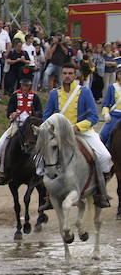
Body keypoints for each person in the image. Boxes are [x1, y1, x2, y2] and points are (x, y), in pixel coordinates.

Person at [41, 64, 113, 209]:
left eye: (70, 73)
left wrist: (77, 127)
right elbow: (46, 116)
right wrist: (53, 128)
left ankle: (100, 192)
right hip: (59, 134)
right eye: (65, 73)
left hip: (82, 132)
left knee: (105, 157)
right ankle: (48, 195)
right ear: (62, 75)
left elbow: (93, 116)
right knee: (41, 161)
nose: (67, 76)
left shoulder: (84, 92)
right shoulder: (54, 94)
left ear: (75, 75)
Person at [0, 69, 43, 184]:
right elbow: (9, 112)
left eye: (27, 85)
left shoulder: (35, 97)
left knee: (43, 145)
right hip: (17, 125)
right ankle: (3, 172)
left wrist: (35, 116)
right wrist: (13, 114)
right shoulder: (15, 96)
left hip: (32, 127)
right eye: (23, 85)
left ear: (30, 85)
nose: (25, 87)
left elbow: (40, 112)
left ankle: (42, 171)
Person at [100, 71, 121, 146]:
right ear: (118, 75)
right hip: (114, 116)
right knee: (103, 135)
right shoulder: (112, 87)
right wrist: (106, 113)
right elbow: (105, 104)